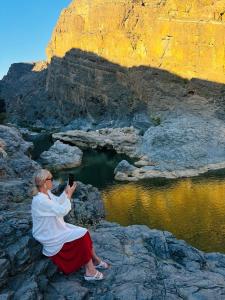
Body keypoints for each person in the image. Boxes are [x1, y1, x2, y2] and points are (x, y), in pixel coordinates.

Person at [31, 168, 109, 281]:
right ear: (44, 182)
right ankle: (90, 271)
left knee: (83, 232)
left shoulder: (46, 194)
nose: (52, 181)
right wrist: (70, 194)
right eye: (51, 179)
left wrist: (66, 191)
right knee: (82, 235)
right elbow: (62, 211)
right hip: (49, 234)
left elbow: (58, 203)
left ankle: (95, 260)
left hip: (55, 228)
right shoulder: (40, 200)